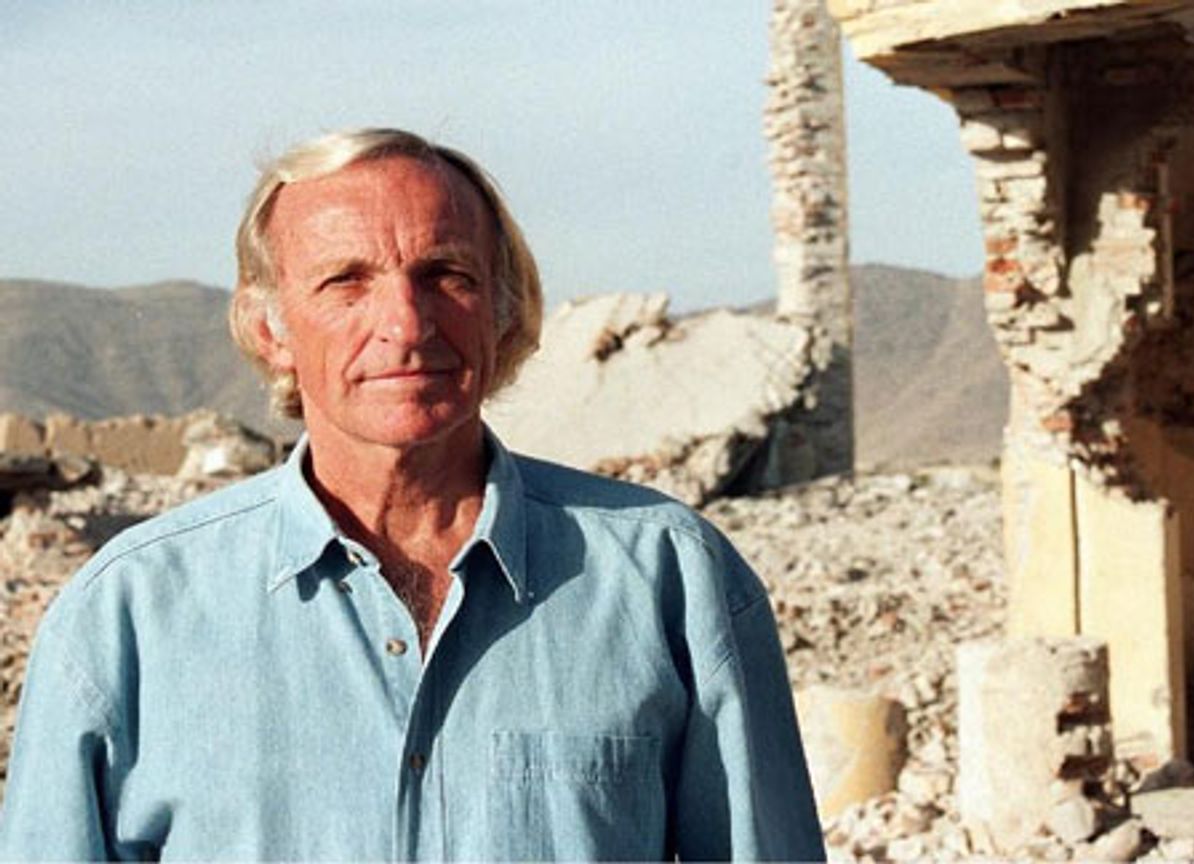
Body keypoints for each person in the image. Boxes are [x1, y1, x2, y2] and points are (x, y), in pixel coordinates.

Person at [0, 128, 823, 860]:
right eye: (346, 282)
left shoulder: (668, 580)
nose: (406, 323)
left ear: (503, 311)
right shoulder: (130, 613)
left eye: (446, 275)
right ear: (269, 329)